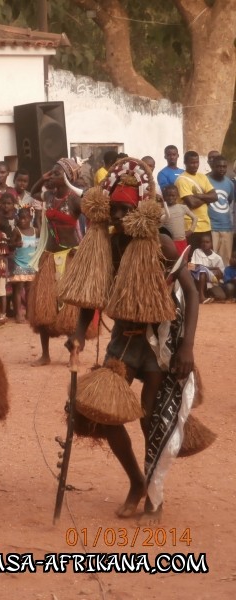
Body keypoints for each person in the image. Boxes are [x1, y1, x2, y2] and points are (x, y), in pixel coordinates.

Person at [70, 163, 198, 522]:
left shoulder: (162, 243)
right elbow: (92, 293)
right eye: (116, 209)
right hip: (122, 343)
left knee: (150, 419)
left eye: (128, 209)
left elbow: (190, 293)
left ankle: (155, 497)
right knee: (106, 415)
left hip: (158, 344)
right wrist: (80, 332)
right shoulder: (108, 244)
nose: (122, 215)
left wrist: (186, 348)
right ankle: (136, 482)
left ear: (142, 207)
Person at [29, 158, 84, 366]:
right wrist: (40, 180)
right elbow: (32, 194)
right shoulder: (48, 196)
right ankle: (45, 354)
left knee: (71, 311)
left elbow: (94, 217)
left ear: (68, 178)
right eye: (51, 172)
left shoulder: (74, 200)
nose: (51, 175)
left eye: (56, 173)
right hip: (50, 257)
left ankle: (74, 353)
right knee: (43, 307)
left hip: (70, 257)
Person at [176, 151, 217, 251]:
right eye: (192, 163)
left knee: (205, 258)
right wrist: (207, 198)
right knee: (192, 260)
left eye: (197, 162)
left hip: (205, 225)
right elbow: (192, 203)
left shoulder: (202, 177)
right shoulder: (182, 180)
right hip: (191, 227)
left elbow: (215, 196)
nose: (195, 165)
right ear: (185, 163)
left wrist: (198, 196)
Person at [10, 207, 38, 323]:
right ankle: (18, 314)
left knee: (30, 289)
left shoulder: (36, 230)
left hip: (31, 263)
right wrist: (16, 244)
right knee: (18, 288)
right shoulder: (17, 230)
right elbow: (10, 245)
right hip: (19, 263)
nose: (22, 221)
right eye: (20, 218)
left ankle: (29, 313)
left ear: (30, 218)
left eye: (25, 218)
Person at [207, 155, 234, 263]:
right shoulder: (206, 180)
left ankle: (224, 280)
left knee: (225, 261)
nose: (222, 169)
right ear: (212, 166)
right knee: (210, 260)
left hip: (226, 227)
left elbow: (229, 201)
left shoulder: (230, 184)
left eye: (224, 166)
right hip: (211, 227)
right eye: (218, 166)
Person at [160, 184, 197, 255]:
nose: (170, 198)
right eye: (168, 195)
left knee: (182, 261)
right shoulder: (161, 210)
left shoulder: (182, 207)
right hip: (168, 243)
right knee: (171, 263)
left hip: (181, 241)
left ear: (177, 196)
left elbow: (195, 218)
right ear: (164, 197)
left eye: (173, 195)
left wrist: (191, 230)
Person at [189, 233, 225, 303]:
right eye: (202, 242)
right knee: (202, 271)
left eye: (207, 242)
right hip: (197, 279)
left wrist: (218, 273)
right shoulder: (197, 251)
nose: (204, 244)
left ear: (211, 243)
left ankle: (207, 294)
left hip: (211, 282)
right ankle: (201, 297)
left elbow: (221, 276)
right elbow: (191, 266)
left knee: (221, 296)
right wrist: (214, 268)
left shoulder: (217, 258)